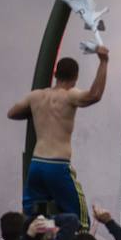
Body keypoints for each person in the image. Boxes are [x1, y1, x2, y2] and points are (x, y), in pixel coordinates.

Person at [8, 46, 109, 229]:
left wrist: (35, 113)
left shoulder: (36, 96)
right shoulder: (70, 95)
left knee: (31, 217)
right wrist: (103, 62)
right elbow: (95, 95)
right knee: (79, 220)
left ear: (55, 73)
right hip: (57, 165)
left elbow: (12, 113)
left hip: (37, 165)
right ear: (75, 77)